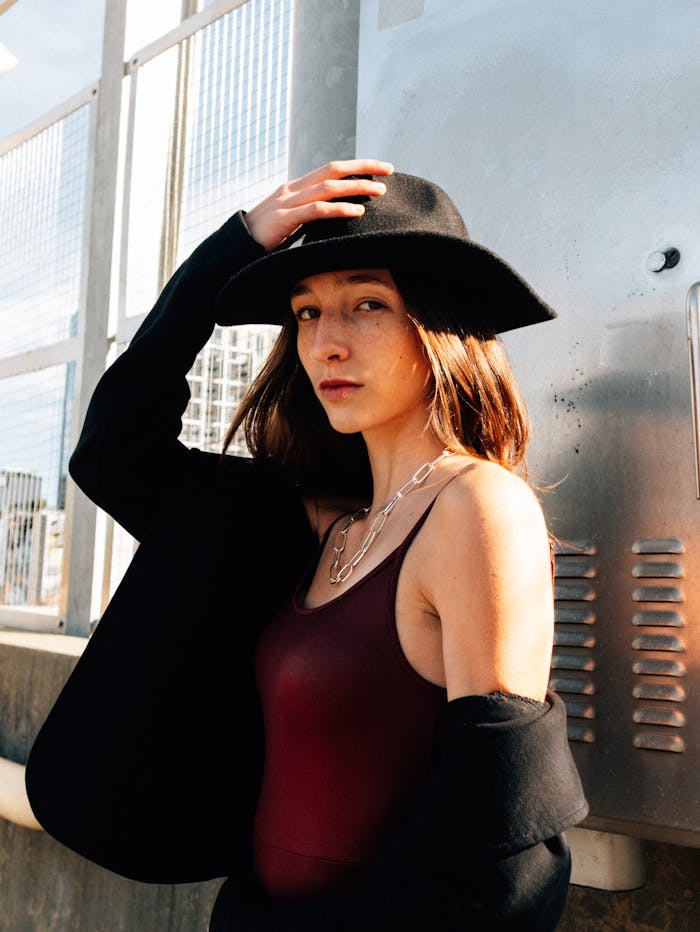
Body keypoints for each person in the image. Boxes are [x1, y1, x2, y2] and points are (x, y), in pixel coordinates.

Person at [25, 160, 588, 930]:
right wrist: (234, 247)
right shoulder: (309, 524)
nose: (326, 342)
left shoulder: (475, 506)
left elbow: (502, 851)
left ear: (441, 323)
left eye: (366, 303)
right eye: (305, 313)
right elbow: (113, 452)